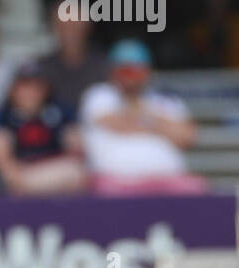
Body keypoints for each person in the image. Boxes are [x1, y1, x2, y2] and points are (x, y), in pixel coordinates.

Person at [79, 40, 204, 195]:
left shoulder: (167, 101)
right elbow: (115, 123)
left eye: (137, 71)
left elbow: (187, 136)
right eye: (125, 71)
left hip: (167, 181)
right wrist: (159, 125)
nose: (131, 78)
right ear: (112, 72)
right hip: (114, 183)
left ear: (148, 72)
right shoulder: (99, 95)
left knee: (196, 187)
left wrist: (138, 117)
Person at [0, 62, 86, 196]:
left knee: (76, 170)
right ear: (13, 90)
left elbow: (76, 149)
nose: (31, 92)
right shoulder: (2, 116)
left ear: (46, 89)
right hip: (19, 171)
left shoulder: (60, 112)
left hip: (51, 169)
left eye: (37, 87)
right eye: (25, 86)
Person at [36, 0, 108, 111]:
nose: (69, 27)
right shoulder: (40, 68)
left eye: (75, 21)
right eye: (63, 22)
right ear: (53, 26)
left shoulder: (105, 66)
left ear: (88, 24)